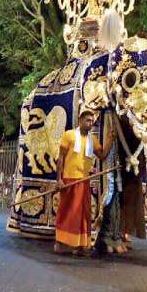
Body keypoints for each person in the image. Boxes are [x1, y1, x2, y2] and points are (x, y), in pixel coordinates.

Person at [54, 109, 114, 256]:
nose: (90, 123)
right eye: (88, 120)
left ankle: (79, 246)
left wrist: (110, 140)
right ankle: (60, 243)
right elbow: (60, 158)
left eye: (92, 121)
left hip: (84, 181)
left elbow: (102, 155)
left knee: (82, 215)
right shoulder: (69, 135)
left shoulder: (92, 140)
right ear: (80, 120)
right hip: (69, 180)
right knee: (67, 212)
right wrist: (58, 180)